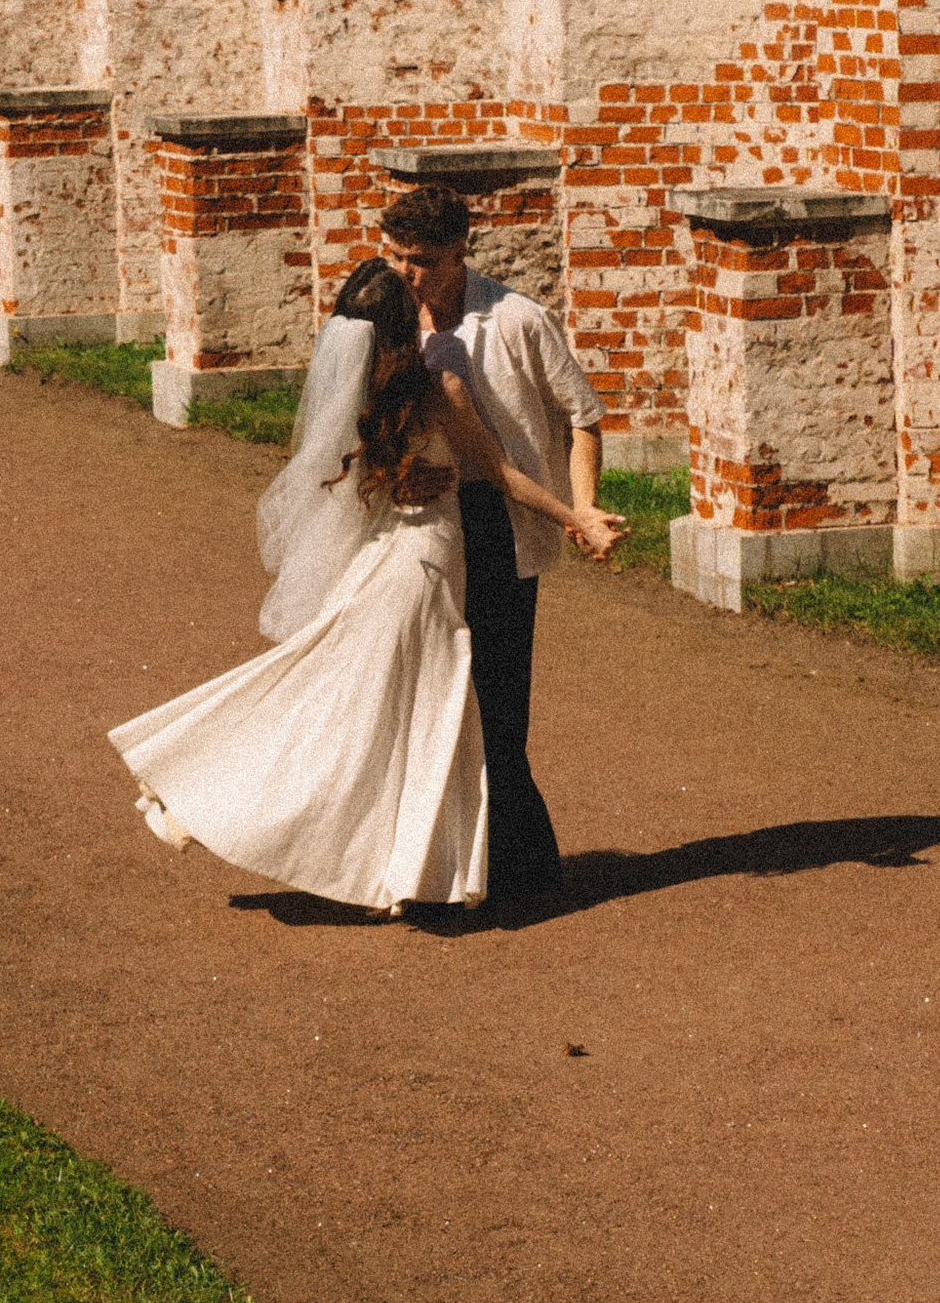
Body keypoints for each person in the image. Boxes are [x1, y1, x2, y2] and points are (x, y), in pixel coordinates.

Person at [108, 262, 620, 917]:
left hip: (383, 561)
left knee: (349, 706)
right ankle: (238, 810)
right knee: (405, 720)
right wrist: (574, 517)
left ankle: (247, 811)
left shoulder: (362, 400)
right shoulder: (439, 389)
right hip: (426, 572)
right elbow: (500, 474)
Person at [377, 181, 606, 904]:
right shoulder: (383, 319)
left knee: (500, 706)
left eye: (421, 260)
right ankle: (436, 869)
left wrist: (587, 507)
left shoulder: (519, 319)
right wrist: (395, 477)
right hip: (416, 536)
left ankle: (524, 874)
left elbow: (584, 417)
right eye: (394, 256)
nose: (406, 273)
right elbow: (362, 434)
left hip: (506, 526)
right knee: (427, 700)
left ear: (461, 252)